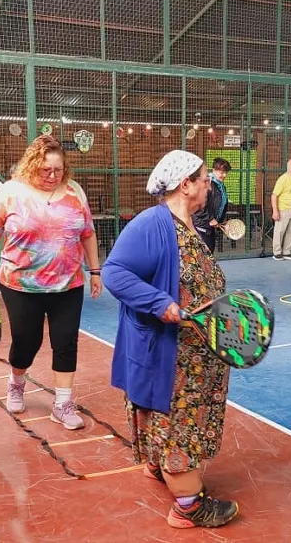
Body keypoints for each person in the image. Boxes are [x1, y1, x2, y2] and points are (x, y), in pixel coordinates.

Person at [102, 150, 238, 529]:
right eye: (205, 180)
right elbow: (115, 272)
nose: (210, 186)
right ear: (187, 185)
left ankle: (158, 465)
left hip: (197, 352)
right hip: (174, 357)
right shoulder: (152, 224)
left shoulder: (189, 224)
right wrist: (160, 302)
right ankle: (187, 507)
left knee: (177, 420)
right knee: (178, 421)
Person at [0, 135, 102, 431]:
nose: (52, 176)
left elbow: (87, 233)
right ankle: (16, 383)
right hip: (20, 285)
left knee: (66, 342)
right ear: (32, 165)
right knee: (26, 342)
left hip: (68, 284)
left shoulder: (74, 192)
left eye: (58, 170)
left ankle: (62, 403)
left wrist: (95, 271)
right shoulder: (11, 192)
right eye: (46, 170)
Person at [192, 157, 231, 253]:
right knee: (203, 257)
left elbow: (221, 205)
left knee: (209, 256)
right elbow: (199, 205)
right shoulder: (207, 184)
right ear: (214, 170)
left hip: (211, 228)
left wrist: (221, 222)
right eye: (222, 172)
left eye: (226, 172)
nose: (224, 175)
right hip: (201, 227)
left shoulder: (221, 186)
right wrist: (210, 219)